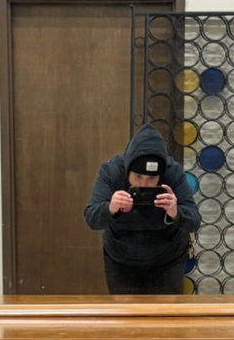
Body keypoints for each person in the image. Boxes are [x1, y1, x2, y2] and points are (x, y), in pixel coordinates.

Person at [84, 124, 201, 294]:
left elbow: (195, 221)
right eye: (138, 176)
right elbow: (91, 218)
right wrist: (110, 207)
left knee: (165, 310)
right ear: (128, 170)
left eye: (151, 178)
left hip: (168, 258)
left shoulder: (173, 172)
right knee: (124, 310)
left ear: (161, 175)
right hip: (121, 259)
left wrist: (176, 212)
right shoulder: (112, 171)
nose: (144, 183)